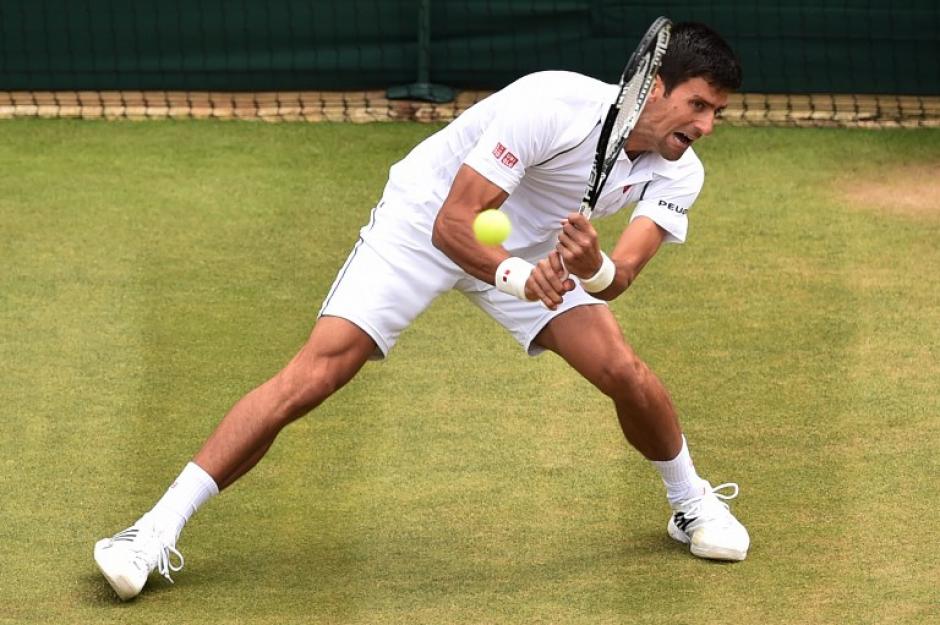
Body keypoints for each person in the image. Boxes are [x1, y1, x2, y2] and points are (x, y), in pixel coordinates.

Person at [94, 21, 747, 601]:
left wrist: (587, 266)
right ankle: (149, 534)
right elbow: (454, 222)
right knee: (315, 374)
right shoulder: (552, 104)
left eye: (717, 112)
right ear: (653, 86)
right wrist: (521, 277)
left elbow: (619, 275)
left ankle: (690, 502)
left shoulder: (679, 169)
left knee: (625, 371)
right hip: (430, 219)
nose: (705, 126)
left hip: (534, 252)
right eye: (697, 105)